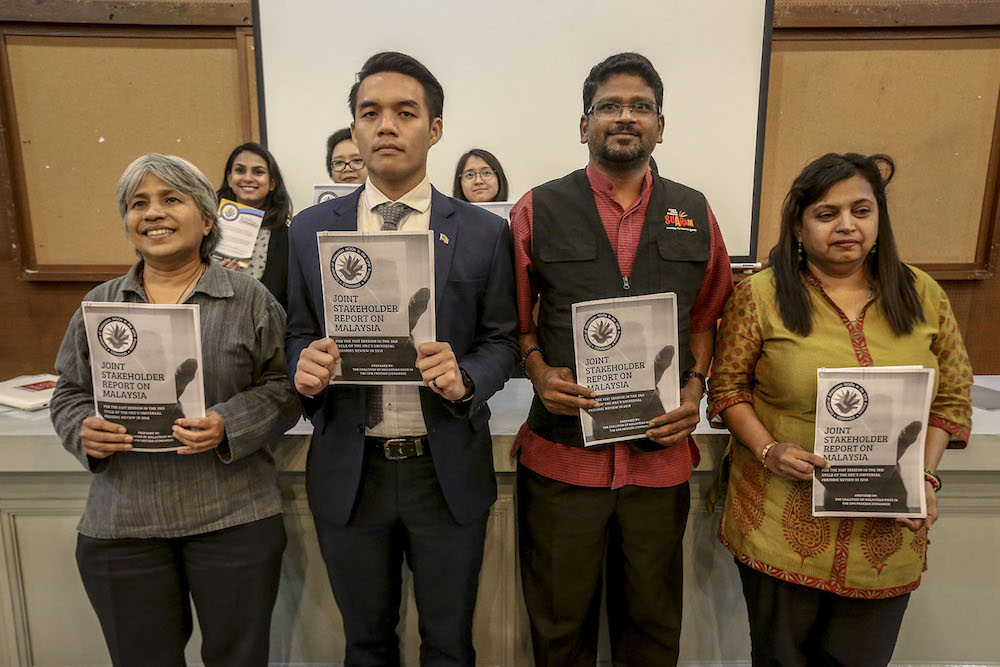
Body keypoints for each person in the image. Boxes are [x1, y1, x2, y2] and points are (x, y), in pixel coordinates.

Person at [286, 52, 518, 666]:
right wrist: (302, 368)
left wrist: (465, 377)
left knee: (449, 645)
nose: (386, 125)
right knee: (365, 645)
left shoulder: (483, 231)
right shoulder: (308, 230)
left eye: (405, 112)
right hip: (349, 470)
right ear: (354, 128)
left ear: (434, 129)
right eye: (370, 113)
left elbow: (503, 341)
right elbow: (295, 332)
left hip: (442, 473)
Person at [510, 52, 734, 666]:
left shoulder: (696, 211)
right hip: (563, 464)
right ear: (584, 125)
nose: (624, 116)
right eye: (609, 106)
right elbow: (516, 320)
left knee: (653, 631)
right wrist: (538, 370)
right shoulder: (537, 209)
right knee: (558, 631)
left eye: (640, 106)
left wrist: (694, 388)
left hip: (658, 470)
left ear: (661, 125)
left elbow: (706, 316)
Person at [709, 153, 972, 666]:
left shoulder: (924, 295)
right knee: (780, 657)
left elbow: (952, 398)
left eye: (861, 210)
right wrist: (769, 449)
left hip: (887, 529)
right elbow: (727, 389)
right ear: (799, 227)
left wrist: (924, 477)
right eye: (826, 214)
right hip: (781, 519)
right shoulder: (760, 295)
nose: (846, 225)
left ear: (880, 219)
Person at [50, 153, 301, 666]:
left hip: (233, 517)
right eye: (138, 203)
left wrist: (230, 422)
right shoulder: (101, 305)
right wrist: (83, 430)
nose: (153, 213)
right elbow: (69, 392)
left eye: (171, 199)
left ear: (207, 218)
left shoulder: (250, 299)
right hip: (123, 525)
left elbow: (285, 387)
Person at [216, 142, 292, 308]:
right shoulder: (207, 228)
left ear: (272, 183)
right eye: (240, 170)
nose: (248, 178)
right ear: (229, 179)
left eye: (258, 172)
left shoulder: (288, 235)